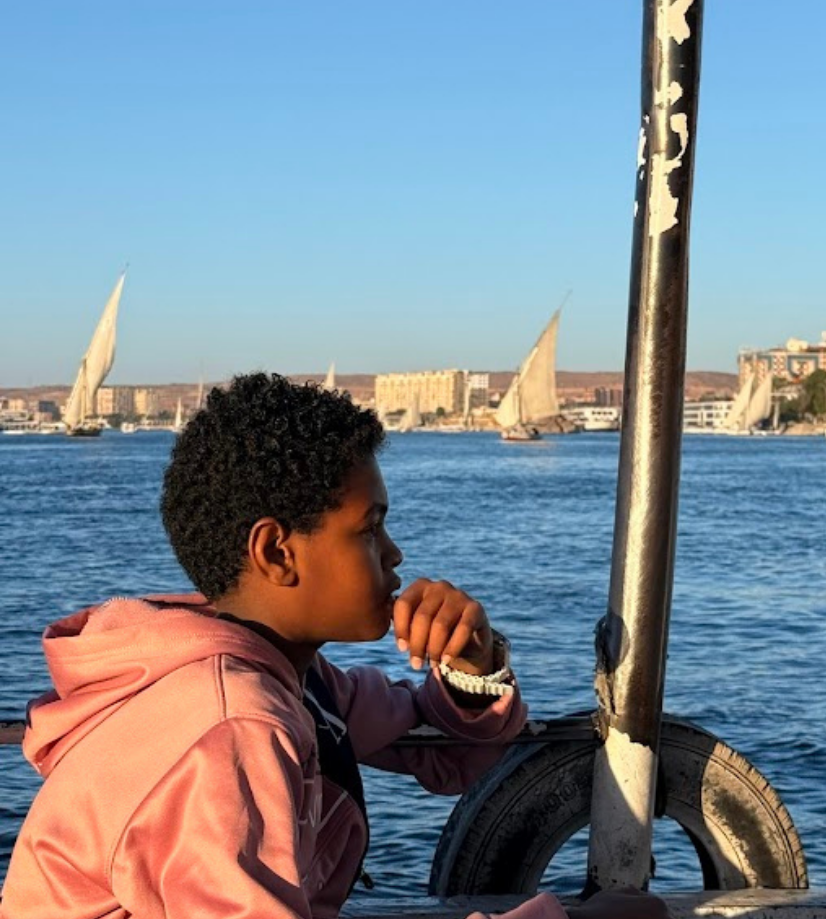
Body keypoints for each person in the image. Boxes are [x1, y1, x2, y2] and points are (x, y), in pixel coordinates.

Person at [2, 373, 665, 919]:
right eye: (369, 530)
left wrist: (474, 665)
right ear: (277, 552)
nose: (395, 554)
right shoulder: (228, 724)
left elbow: (445, 750)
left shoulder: (295, 680)